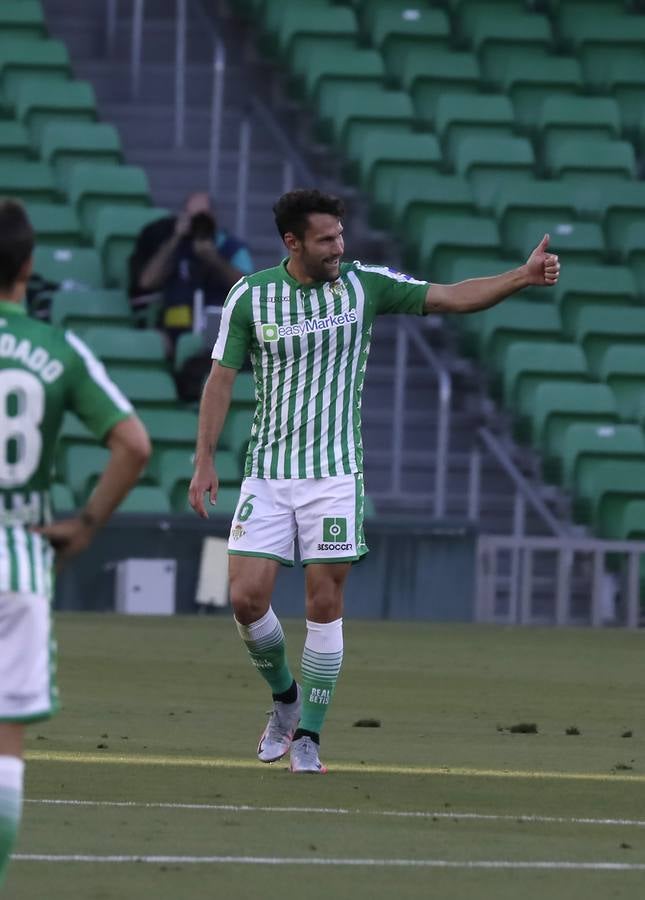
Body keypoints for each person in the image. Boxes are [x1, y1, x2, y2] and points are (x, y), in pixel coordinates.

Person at [188, 189, 560, 774]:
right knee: (244, 598)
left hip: (335, 475)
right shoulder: (251, 297)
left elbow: (451, 297)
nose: (340, 247)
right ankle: (285, 700)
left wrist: (522, 276)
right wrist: (204, 459)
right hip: (268, 471)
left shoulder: (365, 285)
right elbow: (221, 379)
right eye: (326, 239)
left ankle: (308, 735)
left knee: (323, 601)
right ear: (293, 242)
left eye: (341, 235)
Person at [0, 199, 151, 886]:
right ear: (28, 267)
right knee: (5, 746)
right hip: (22, 561)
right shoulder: (56, 350)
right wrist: (85, 524)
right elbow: (133, 445)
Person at [128, 191, 254, 351]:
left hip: (218, 331)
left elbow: (248, 288)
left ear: (213, 217)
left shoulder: (231, 247)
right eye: (193, 217)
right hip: (175, 327)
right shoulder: (175, 246)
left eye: (203, 217)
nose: (198, 223)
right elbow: (147, 282)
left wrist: (214, 259)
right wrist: (175, 238)